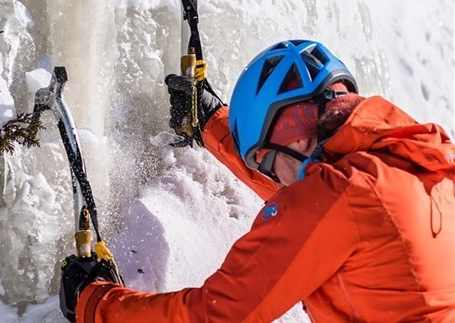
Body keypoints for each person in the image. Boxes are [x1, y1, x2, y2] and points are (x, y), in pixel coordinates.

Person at [60, 40, 455, 322]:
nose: (274, 178)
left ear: (295, 132)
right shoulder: (419, 164)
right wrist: (213, 126)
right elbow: (318, 209)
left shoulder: (340, 196)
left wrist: (93, 303)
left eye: (266, 160)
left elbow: (217, 314)